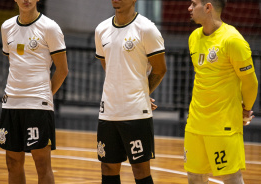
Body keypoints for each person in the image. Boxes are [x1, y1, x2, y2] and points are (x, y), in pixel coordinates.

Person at [184, 0, 258, 183]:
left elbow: (250, 82)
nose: (189, 8)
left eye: (194, 4)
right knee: (195, 177)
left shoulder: (232, 40)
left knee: (230, 177)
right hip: (195, 123)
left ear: (208, 7)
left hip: (223, 126)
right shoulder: (194, 37)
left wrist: (246, 108)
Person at [95, 0, 167, 183]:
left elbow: (160, 69)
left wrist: (142, 93)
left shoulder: (147, 29)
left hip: (136, 113)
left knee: (140, 170)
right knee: (108, 166)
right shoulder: (101, 29)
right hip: (108, 111)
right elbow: (108, 66)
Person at [0, 0, 68, 183]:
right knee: (12, 162)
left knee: (42, 164)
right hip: (11, 102)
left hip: (38, 105)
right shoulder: (7, 27)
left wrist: (44, 95)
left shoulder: (49, 27)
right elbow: (14, 60)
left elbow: (62, 70)